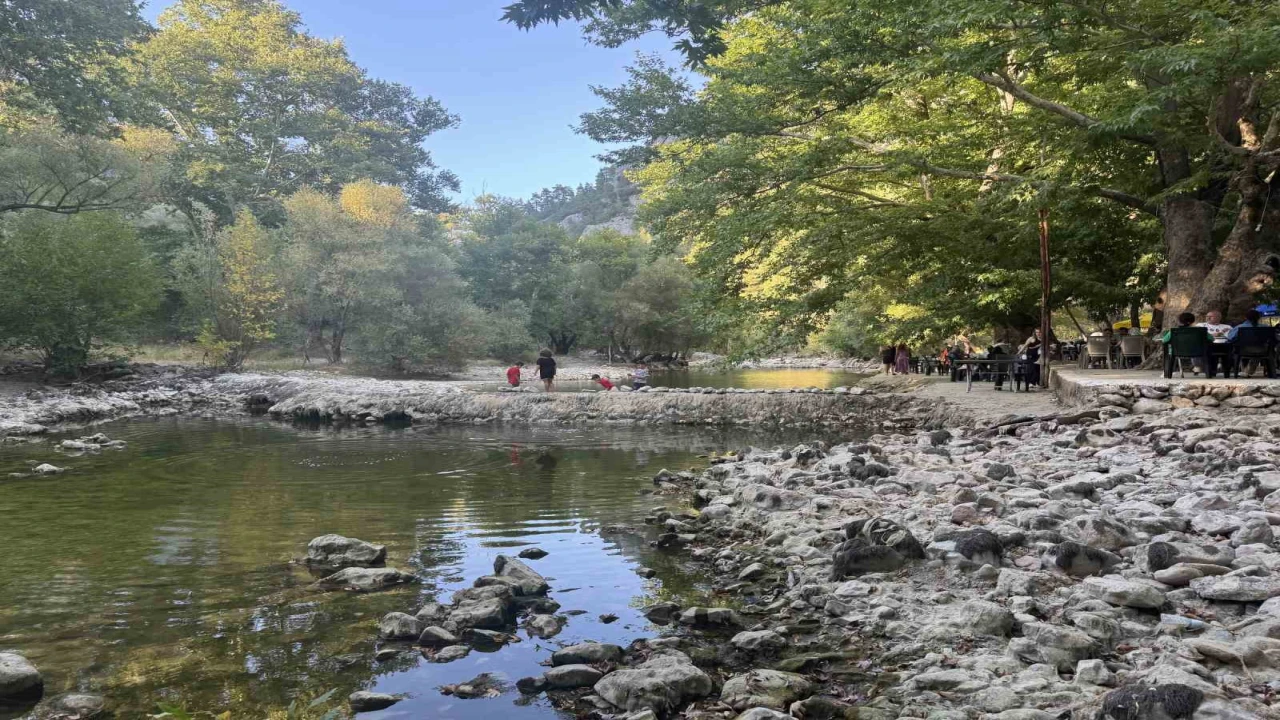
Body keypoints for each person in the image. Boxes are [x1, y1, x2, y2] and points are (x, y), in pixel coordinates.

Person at [1229, 309, 1265, 376]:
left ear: (1245, 318)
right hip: (1263, 350)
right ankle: (1249, 371)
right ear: (1259, 317)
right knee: (1257, 350)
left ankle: (1245, 371)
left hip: (1242, 350)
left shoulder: (1239, 327)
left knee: (1239, 349)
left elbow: (1230, 338)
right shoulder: (1265, 327)